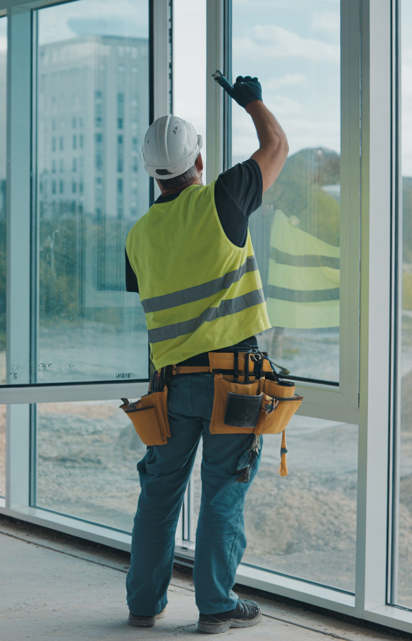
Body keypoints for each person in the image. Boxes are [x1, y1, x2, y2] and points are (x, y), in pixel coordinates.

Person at [123, 77, 289, 633]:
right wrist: (250, 101)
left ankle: (144, 605)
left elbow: (153, 313)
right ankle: (216, 605)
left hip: (170, 384)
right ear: (198, 160)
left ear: (153, 172)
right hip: (232, 384)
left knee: (159, 493)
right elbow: (277, 147)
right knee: (223, 489)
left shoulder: (138, 235)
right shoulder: (223, 197)